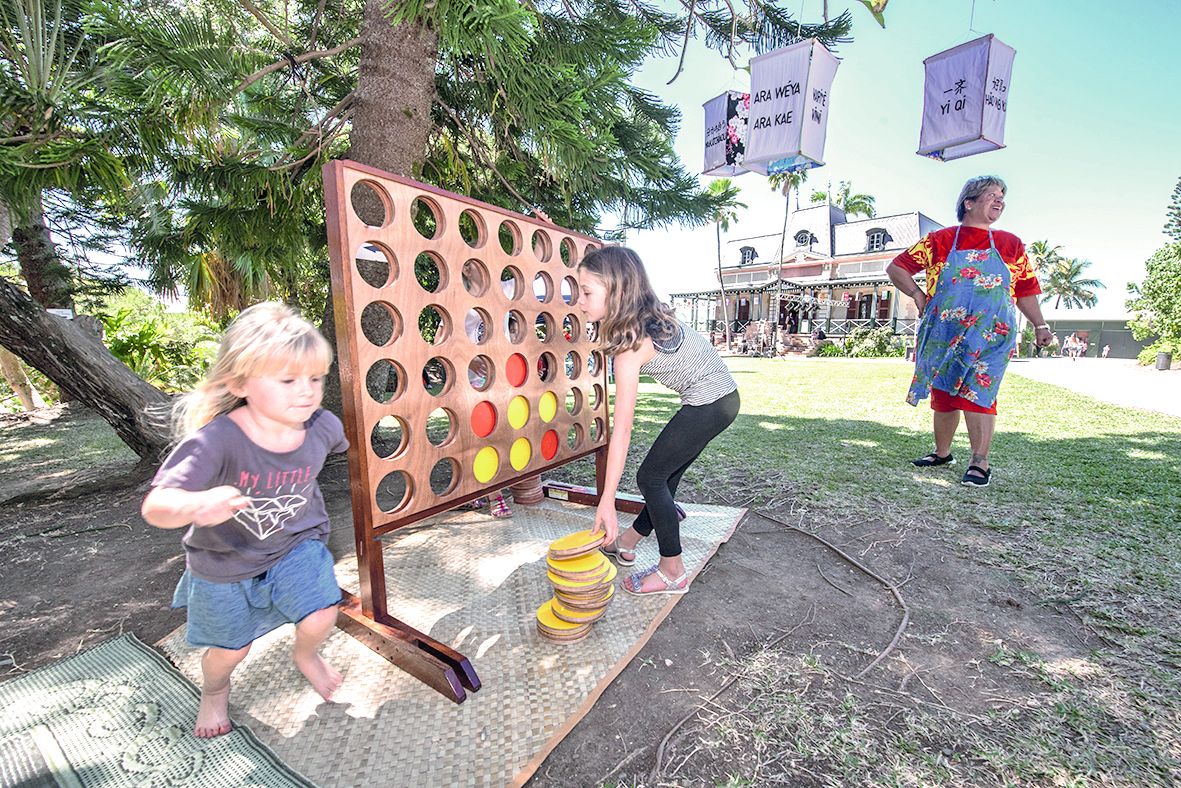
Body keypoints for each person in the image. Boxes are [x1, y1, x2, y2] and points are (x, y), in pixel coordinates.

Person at [141, 303, 348, 738]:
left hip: (296, 544)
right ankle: (214, 692)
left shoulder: (324, 426)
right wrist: (196, 505)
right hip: (224, 563)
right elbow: (156, 506)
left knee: (322, 612)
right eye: (288, 380)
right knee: (230, 649)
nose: (307, 392)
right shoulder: (216, 440)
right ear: (240, 383)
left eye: (316, 378)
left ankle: (306, 654)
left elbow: (345, 446)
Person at [578, 247, 740, 594]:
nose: (579, 301)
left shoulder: (630, 347)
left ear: (616, 291)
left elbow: (621, 430)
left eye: (587, 292)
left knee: (650, 477)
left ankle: (672, 570)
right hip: (724, 400)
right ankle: (630, 539)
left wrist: (607, 499)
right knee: (663, 477)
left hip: (709, 403)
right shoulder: (648, 317)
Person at [886, 176, 1053, 488]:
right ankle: (942, 453)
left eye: (1002, 196)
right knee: (945, 394)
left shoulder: (1011, 244)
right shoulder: (939, 240)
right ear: (969, 202)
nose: (999, 200)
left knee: (979, 391)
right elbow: (897, 267)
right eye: (992, 195)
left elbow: (1026, 290)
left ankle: (979, 462)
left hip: (992, 332)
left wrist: (1040, 324)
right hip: (943, 332)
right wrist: (918, 296)